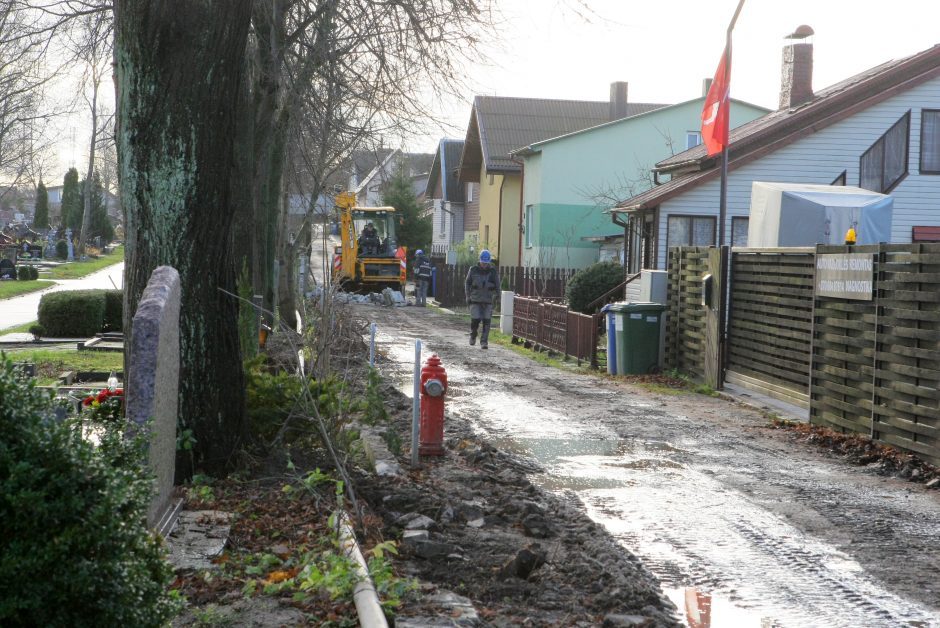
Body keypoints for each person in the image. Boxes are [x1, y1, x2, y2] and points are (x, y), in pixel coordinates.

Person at [465, 249, 499, 349]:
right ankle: (473, 335)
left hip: (488, 300)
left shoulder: (492, 272)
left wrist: (498, 297)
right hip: (475, 299)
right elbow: (467, 283)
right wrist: (467, 296)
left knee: (487, 321)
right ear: (480, 260)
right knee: (475, 320)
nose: (484, 264)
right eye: (483, 262)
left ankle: (484, 342)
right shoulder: (473, 270)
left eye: (486, 263)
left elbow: (497, 285)